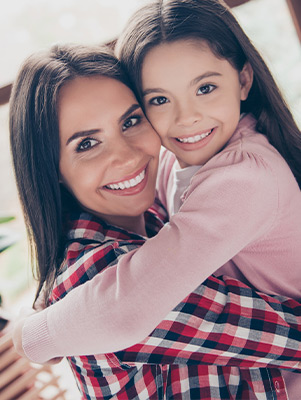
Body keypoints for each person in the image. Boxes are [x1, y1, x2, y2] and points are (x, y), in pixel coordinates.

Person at [10, 2, 301, 394]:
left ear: (244, 81)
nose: (187, 117)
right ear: (50, 168)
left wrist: (31, 334)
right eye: (159, 100)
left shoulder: (241, 176)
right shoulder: (102, 262)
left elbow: (125, 305)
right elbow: (123, 305)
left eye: (130, 122)